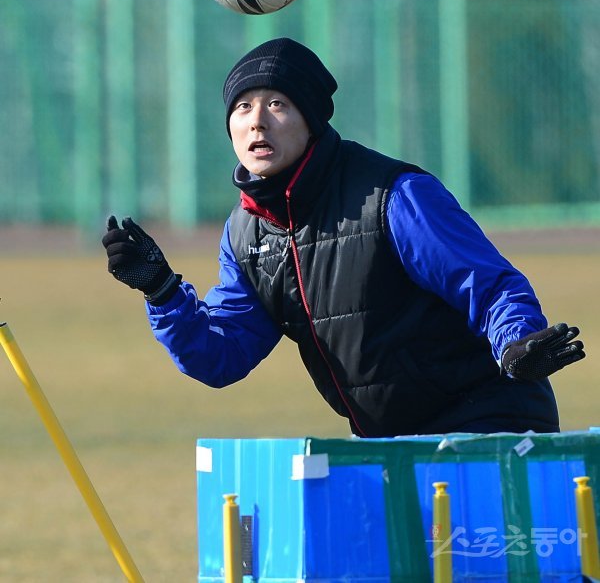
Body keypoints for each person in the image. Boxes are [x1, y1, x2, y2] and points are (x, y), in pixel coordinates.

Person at [102, 37, 585, 437]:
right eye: (243, 106)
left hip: (487, 422)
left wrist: (517, 345)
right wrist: (162, 291)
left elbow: (488, 285)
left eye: (277, 104)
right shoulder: (246, 232)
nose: (257, 120)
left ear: (312, 119)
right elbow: (221, 356)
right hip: (388, 442)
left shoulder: (392, 195)